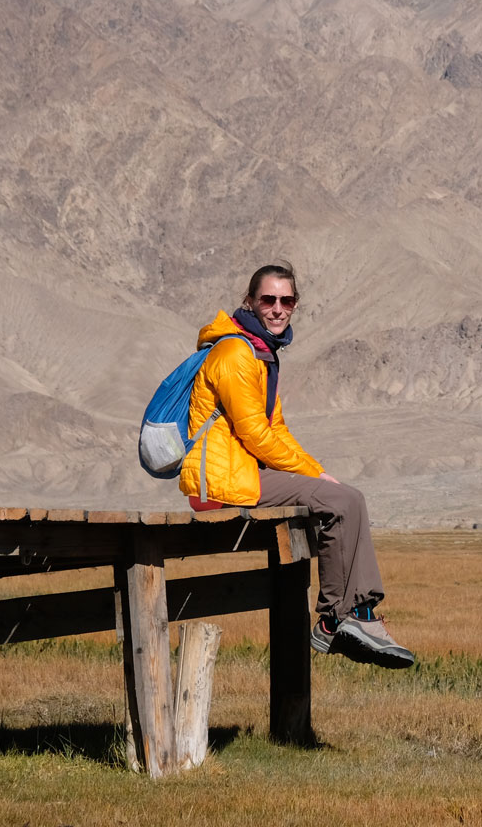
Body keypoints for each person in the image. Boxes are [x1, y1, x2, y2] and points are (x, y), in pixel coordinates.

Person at [178, 262, 414, 668]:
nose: (276, 308)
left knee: (347, 497)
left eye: (286, 300)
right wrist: (315, 477)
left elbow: (277, 430)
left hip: (245, 472)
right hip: (221, 480)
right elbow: (255, 435)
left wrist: (317, 472)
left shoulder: (261, 354)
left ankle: (352, 617)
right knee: (343, 502)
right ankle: (342, 619)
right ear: (249, 301)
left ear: (295, 305)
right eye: (268, 299)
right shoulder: (236, 352)